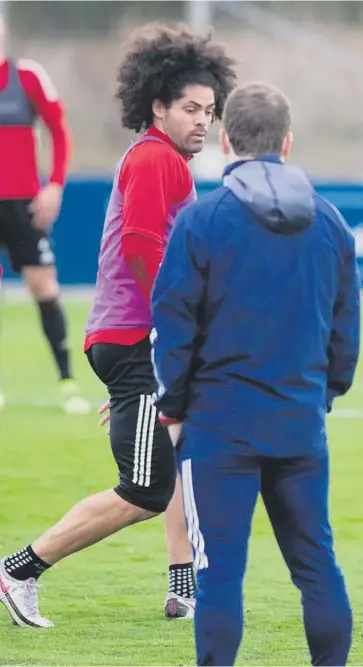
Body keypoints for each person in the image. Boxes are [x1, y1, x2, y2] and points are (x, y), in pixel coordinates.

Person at [0, 23, 237, 628]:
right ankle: (20, 569)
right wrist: (178, 330)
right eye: (189, 107)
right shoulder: (158, 158)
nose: (201, 120)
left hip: (134, 343)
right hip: (136, 339)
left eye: (209, 109)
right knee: (144, 489)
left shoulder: (162, 161)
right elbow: (139, 247)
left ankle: (184, 582)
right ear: (157, 105)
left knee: (178, 444)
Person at [150, 81, 360, 666]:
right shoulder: (330, 223)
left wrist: (175, 404)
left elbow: (174, 323)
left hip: (219, 427)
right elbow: (345, 333)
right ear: (287, 142)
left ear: (225, 139)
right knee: (316, 567)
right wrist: (323, 397)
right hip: (298, 424)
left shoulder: (203, 220)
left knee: (218, 574)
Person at [0, 13, 89, 414]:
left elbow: (59, 129)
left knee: (44, 288)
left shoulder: (28, 77)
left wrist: (54, 183)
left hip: (23, 204)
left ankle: (67, 381)